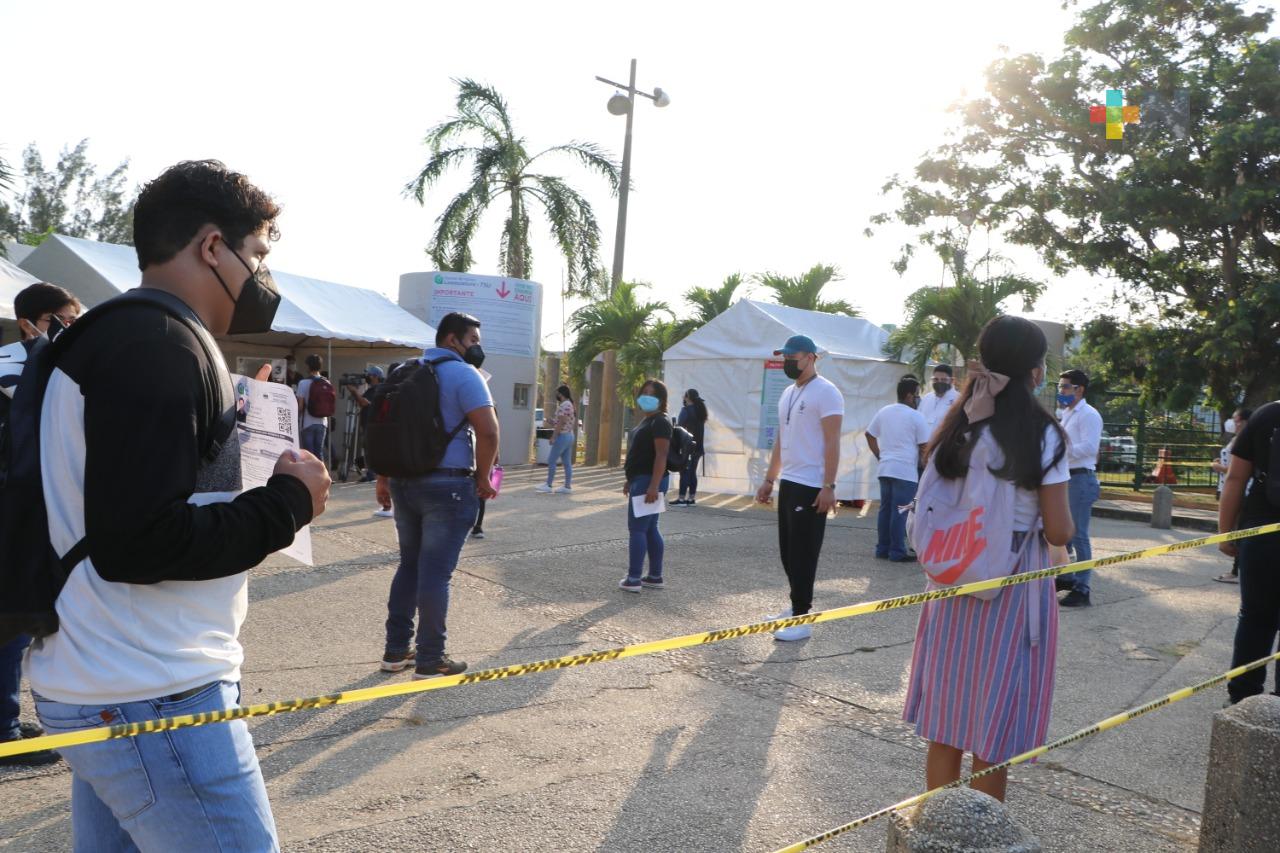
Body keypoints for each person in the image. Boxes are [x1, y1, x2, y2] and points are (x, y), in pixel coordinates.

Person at [27, 160, 330, 848]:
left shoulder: (131, 334)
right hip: (149, 687)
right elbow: (139, 541)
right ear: (212, 246)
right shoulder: (157, 346)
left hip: (117, 680)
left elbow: (136, 492)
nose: (262, 276)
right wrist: (289, 503)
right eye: (257, 254)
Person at [903, 315, 1073, 802]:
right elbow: (1059, 529)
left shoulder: (959, 423)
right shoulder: (1042, 434)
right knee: (993, 730)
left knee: (946, 723)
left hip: (953, 573)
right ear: (1035, 371)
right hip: (1012, 582)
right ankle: (981, 832)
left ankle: (936, 825)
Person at [378, 312, 498, 678]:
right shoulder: (465, 375)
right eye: (473, 340)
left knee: (409, 566)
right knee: (435, 573)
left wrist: (383, 479)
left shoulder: (405, 371)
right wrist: (483, 477)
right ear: (451, 340)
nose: (477, 347)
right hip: (448, 487)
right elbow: (489, 432)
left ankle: (396, 651)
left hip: (403, 482)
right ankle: (431, 658)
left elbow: (385, 429)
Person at [0, 282, 81, 769]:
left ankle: (6, 718)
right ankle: (5, 732)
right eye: (60, 320)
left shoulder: (43, 364)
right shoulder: (20, 367)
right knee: (11, 620)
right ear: (28, 323)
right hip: (13, 514)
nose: (70, 329)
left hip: (29, 512)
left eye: (74, 320)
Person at [754, 335, 844, 641]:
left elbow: (832, 441)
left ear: (810, 357)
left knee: (804, 553)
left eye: (792, 357)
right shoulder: (788, 393)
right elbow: (782, 438)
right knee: (789, 552)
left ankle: (802, 618)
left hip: (812, 484)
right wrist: (769, 479)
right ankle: (795, 607)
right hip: (790, 481)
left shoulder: (827, 392)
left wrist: (829, 485)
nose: (787, 362)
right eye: (785, 357)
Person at [1219, 400, 1280, 704]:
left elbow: (1235, 477)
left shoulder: (1267, 414)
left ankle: (1242, 699)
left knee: (1255, 616)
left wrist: (1226, 532)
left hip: (1262, 529)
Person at [866, 376, 931, 562]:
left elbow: (869, 435)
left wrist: (880, 456)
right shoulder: (916, 416)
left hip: (885, 469)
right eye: (917, 395)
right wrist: (927, 468)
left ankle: (882, 549)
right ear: (909, 395)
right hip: (905, 472)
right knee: (901, 511)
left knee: (885, 510)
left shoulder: (884, 411)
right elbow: (924, 446)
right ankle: (897, 551)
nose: (918, 399)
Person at [1054, 369, 1103, 607]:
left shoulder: (1088, 414)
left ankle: (1083, 588)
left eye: (1065, 387)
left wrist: (1061, 451)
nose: (1061, 391)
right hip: (1067, 478)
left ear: (1079, 389)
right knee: (1063, 532)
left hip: (1081, 479)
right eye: (1060, 387)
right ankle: (1066, 577)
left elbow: (1090, 447)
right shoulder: (1067, 413)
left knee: (1079, 535)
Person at [619, 379, 673, 592]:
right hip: (642, 479)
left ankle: (633, 578)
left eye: (652, 394)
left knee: (638, 529)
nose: (646, 397)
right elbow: (641, 453)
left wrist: (653, 485)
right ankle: (654, 576)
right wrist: (630, 479)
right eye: (644, 393)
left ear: (661, 399)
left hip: (649, 480)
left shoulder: (660, 421)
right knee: (649, 528)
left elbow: (661, 455)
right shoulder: (649, 420)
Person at [1212, 407, 1251, 583]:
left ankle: (1236, 571)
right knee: (1237, 531)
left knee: (1237, 532)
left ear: (1244, 422)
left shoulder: (1245, 440)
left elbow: (1239, 472)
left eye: (1235, 420)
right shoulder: (1236, 439)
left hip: (1240, 492)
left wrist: (1220, 467)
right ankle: (1237, 570)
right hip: (1226, 488)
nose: (1231, 423)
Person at [536, 384, 576, 494]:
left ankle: (548, 485)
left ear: (561, 394)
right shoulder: (570, 404)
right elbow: (563, 421)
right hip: (569, 435)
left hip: (562, 436)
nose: (556, 395)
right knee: (567, 462)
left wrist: (553, 437)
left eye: (557, 393)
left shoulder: (564, 405)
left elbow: (562, 422)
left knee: (551, 460)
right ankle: (567, 486)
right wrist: (551, 421)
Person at [673, 388, 708, 506]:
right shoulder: (701, 411)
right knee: (692, 473)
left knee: (684, 472)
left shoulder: (686, 410)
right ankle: (691, 499)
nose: (683, 397)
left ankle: (681, 499)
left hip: (687, 447)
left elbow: (679, 428)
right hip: (698, 448)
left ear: (688, 398)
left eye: (684, 395)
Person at [296, 354, 330, 463]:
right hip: (322, 422)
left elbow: (300, 406)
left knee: (308, 454)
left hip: (307, 422)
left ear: (308, 366)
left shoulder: (303, 383)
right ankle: (322, 473)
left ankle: (310, 474)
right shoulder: (326, 382)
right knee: (319, 452)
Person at [918, 363, 959, 435]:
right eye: (936, 379)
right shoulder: (926, 398)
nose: (939, 382)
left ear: (952, 381)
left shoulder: (958, 400)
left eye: (943, 380)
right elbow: (918, 421)